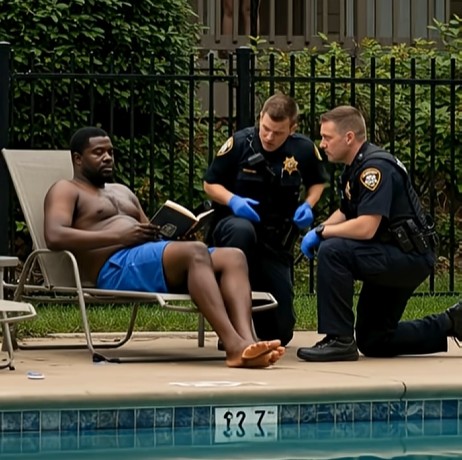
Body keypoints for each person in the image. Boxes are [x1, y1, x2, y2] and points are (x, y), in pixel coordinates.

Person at [43, 126, 285, 369]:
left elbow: (149, 231)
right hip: (114, 266)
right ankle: (233, 346)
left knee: (234, 256)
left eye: (110, 152)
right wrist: (118, 236)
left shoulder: (122, 191)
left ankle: (248, 342)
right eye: (98, 152)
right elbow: (54, 236)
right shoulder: (66, 189)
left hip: (145, 258)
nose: (107, 157)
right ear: (78, 158)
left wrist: (176, 236)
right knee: (196, 251)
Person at [296, 105, 461, 362]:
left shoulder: (374, 169)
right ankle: (451, 322)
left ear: (349, 137)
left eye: (327, 137)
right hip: (394, 254)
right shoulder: (356, 166)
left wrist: (323, 232)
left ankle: (338, 340)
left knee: (333, 250)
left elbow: (366, 226)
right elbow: (347, 211)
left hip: (407, 258)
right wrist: (318, 230)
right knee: (374, 339)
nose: (323, 144)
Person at [203, 94, 328, 346]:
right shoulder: (240, 144)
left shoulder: (303, 149)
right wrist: (233, 200)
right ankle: (233, 330)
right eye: (265, 128)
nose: (269, 137)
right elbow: (210, 184)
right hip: (234, 228)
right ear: (260, 118)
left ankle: (259, 326)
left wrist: (308, 204)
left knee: (280, 333)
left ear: (292, 129)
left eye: (278, 132)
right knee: (242, 231)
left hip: (273, 240)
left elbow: (318, 182)